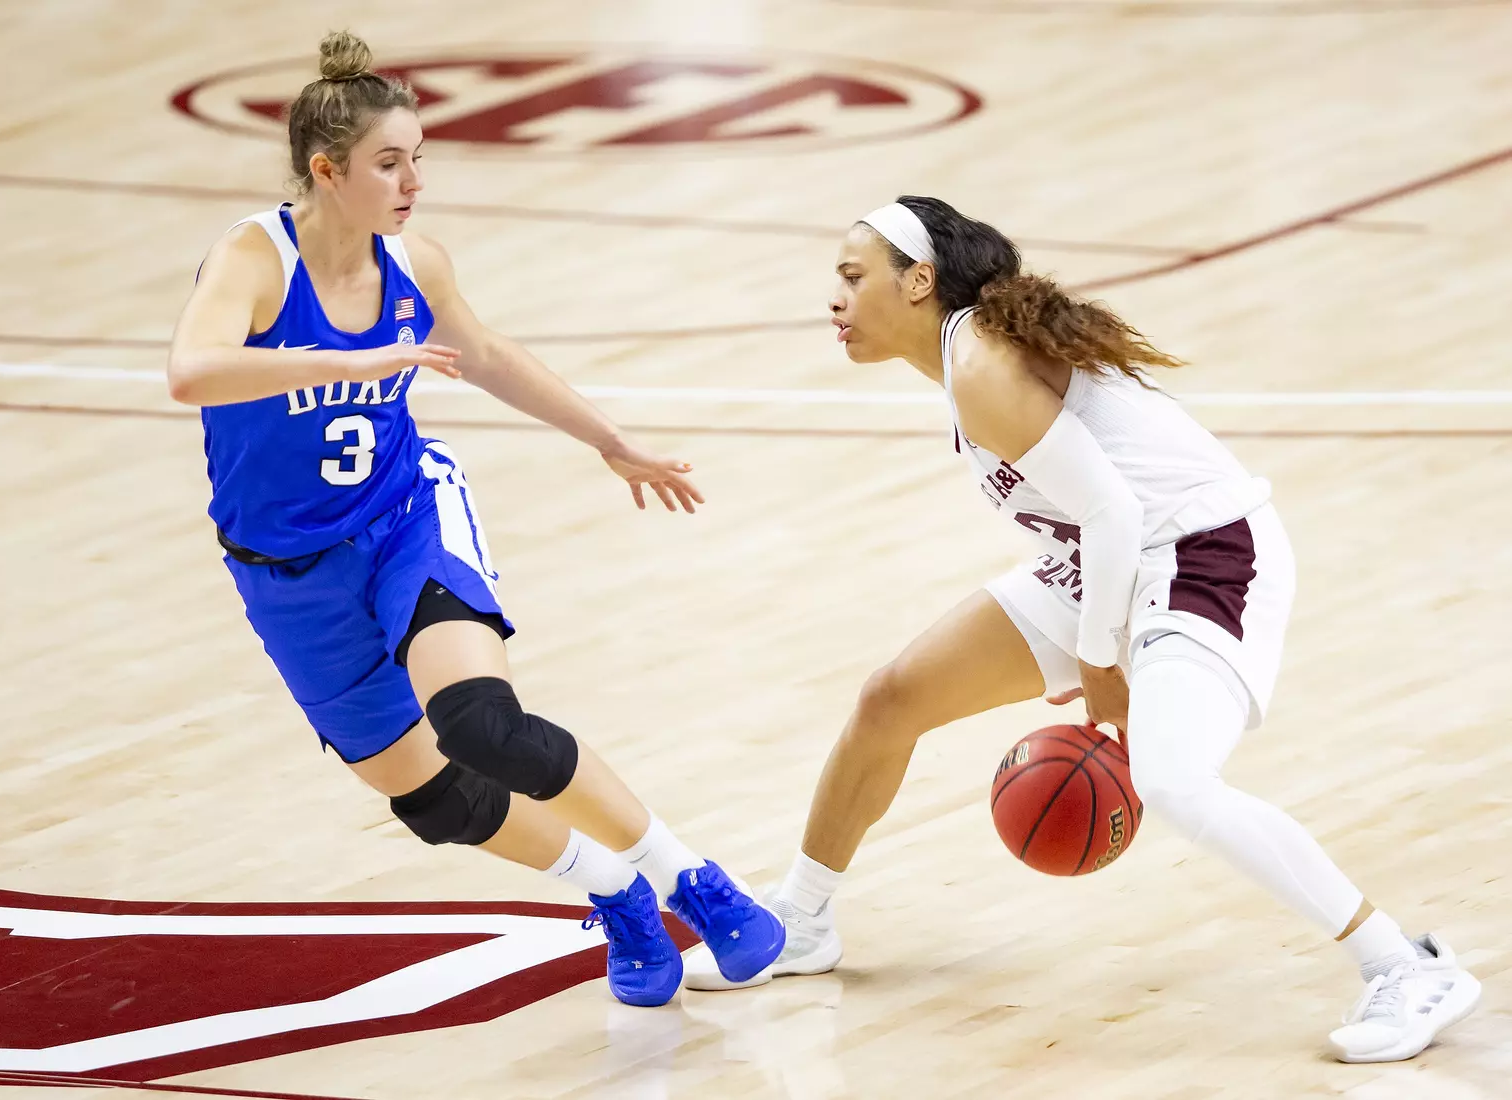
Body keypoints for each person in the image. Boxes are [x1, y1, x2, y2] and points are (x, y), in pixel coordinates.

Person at [684, 195, 1479, 1063]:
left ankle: (1404, 967)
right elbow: (1096, 525)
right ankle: (801, 919)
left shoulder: (979, 363)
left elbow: (1112, 510)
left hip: (1202, 553)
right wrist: (1099, 631)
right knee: (894, 697)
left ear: (918, 281)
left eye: (850, 277)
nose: (833, 300)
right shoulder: (966, 357)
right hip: (1109, 561)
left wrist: (1101, 659)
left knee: (1173, 779)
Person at [165, 30, 783, 1008]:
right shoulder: (255, 259)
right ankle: (609, 887)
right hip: (286, 571)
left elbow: (487, 354)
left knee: (481, 724)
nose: (414, 179)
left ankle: (692, 878)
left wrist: (607, 438)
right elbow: (189, 372)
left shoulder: (415, 264)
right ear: (327, 171)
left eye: (420, 157)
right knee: (435, 801)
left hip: (406, 518)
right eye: (390, 162)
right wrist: (346, 363)